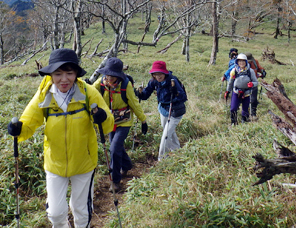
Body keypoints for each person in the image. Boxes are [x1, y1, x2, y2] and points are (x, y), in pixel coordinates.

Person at [7, 48, 114, 228]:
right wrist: (18, 130)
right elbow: (29, 121)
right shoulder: (44, 94)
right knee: (55, 214)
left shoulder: (87, 93)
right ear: (50, 74)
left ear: (76, 74)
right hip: (55, 163)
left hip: (84, 163)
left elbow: (107, 124)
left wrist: (102, 118)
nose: (64, 79)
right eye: (58, 74)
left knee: (80, 210)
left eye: (69, 73)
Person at [92, 57, 148, 192]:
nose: (110, 78)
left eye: (113, 75)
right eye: (108, 74)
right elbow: (89, 93)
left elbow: (134, 103)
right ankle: (127, 164)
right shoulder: (100, 83)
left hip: (124, 121)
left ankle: (115, 180)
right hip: (110, 121)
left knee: (114, 148)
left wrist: (143, 120)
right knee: (116, 148)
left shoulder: (125, 85)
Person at [137, 60, 187, 161]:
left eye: (160, 74)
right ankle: (177, 149)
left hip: (175, 111)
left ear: (165, 73)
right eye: (155, 74)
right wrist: (140, 94)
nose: (158, 76)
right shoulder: (153, 81)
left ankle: (162, 159)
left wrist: (175, 93)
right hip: (163, 109)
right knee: (168, 132)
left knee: (166, 136)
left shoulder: (173, 81)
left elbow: (183, 97)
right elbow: (146, 95)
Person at [225, 53, 258, 125]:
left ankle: (244, 123)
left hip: (246, 93)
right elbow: (230, 82)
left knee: (245, 110)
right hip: (236, 92)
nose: (241, 63)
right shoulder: (234, 71)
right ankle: (233, 123)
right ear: (237, 62)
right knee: (233, 108)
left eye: (243, 61)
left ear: (246, 62)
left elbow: (256, 82)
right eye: (240, 61)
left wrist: (252, 84)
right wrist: (227, 91)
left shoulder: (250, 71)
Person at [244, 52, 266, 120]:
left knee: (254, 100)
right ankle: (245, 115)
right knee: (245, 100)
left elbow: (259, 68)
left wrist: (263, 71)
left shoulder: (255, 62)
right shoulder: (241, 64)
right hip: (244, 84)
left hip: (253, 83)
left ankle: (253, 115)